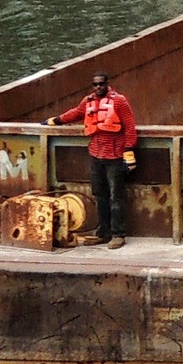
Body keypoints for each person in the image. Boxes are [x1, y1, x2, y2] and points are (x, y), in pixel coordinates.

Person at [47, 72, 137, 249]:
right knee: (100, 195)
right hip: (96, 154)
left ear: (107, 84)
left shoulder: (119, 101)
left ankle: (118, 234)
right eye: (95, 85)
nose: (98, 88)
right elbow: (75, 114)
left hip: (115, 155)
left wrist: (128, 151)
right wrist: (55, 121)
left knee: (115, 197)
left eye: (101, 84)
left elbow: (129, 126)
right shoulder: (88, 101)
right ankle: (103, 232)